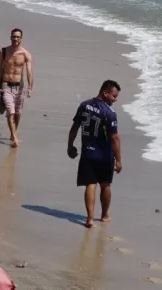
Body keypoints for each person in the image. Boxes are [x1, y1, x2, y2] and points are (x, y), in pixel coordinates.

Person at [67, 80, 122, 228]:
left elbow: (74, 127)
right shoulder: (109, 113)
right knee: (105, 185)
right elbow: (115, 138)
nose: (115, 99)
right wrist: (118, 160)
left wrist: (70, 145)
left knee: (90, 184)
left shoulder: (84, 105)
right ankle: (104, 215)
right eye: (114, 96)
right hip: (105, 156)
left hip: (87, 154)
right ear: (105, 93)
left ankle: (90, 219)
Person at [0, 28, 33, 148]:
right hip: (6, 85)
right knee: (10, 112)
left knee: (18, 113)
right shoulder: (4, 51)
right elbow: (0, 69)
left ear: (21, 39)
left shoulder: (25, 54)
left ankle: (13, 132)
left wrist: (30, 87)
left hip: (19, 87)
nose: (15, 39)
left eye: (18, 37)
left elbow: (29, 72)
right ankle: (15, 137)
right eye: (14, 36)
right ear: (10, 37)